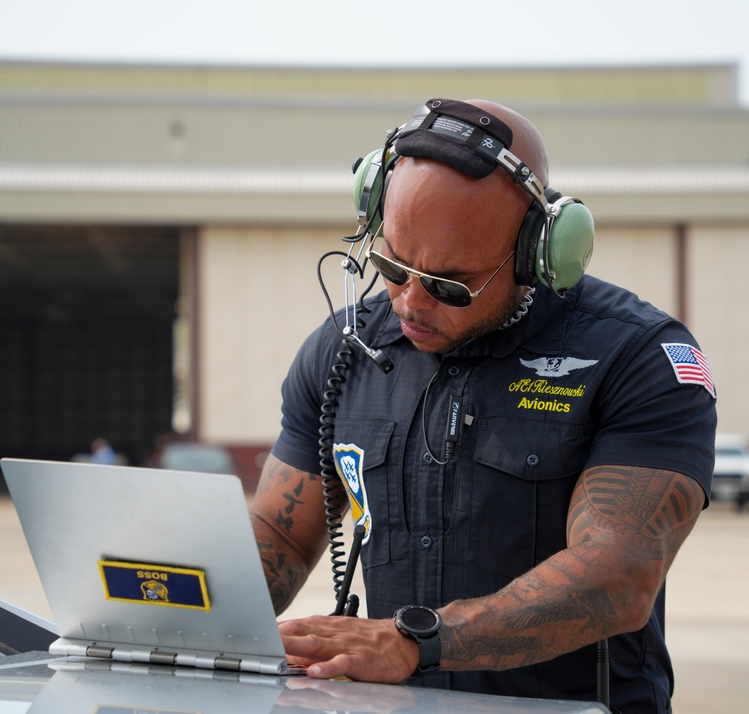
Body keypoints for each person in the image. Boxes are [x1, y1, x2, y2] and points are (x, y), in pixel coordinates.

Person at [248, 98, 716, 714]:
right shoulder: (342, 350)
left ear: (536, 252)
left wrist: (415, 642)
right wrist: (161, 607)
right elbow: (280, 536)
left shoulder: (638, 357)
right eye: (391, 265)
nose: (410, 301)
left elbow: (617, 574)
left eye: (448, 284)